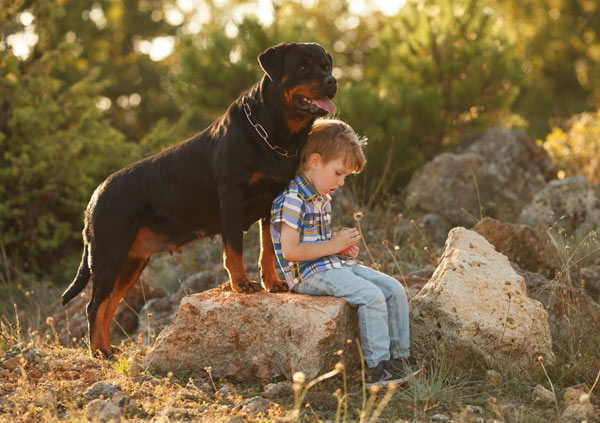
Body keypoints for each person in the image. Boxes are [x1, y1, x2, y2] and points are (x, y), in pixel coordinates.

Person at [270, 118, 421, 385]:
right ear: (315, 162)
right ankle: (378, 368)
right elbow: (291, 251)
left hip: (330, 266)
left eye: (345, 177)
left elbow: (320, 244)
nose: (341, 182)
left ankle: (400, 359)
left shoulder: (322, 197)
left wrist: (342, 251)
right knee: (371, 295)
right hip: (308, 275)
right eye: (339, 173)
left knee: (393, 288)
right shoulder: (293, 199)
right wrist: (333, 245)